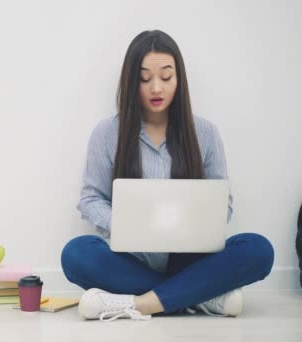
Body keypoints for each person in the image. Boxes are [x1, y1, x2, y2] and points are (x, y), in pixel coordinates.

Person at [61, 30, 274, 322]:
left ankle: (139, 304)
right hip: (131, 259)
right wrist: (124, 224)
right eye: (145, 78)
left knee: (258, 249)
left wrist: (194, 226)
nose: (156, 88)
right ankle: (201, 297)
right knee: (76, 254)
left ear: (179, 80)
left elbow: (221, 204)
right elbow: (90, 198)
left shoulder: (206, 133)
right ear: (130, 81)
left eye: (166, 77)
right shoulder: (107, 133)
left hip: (190, 260)